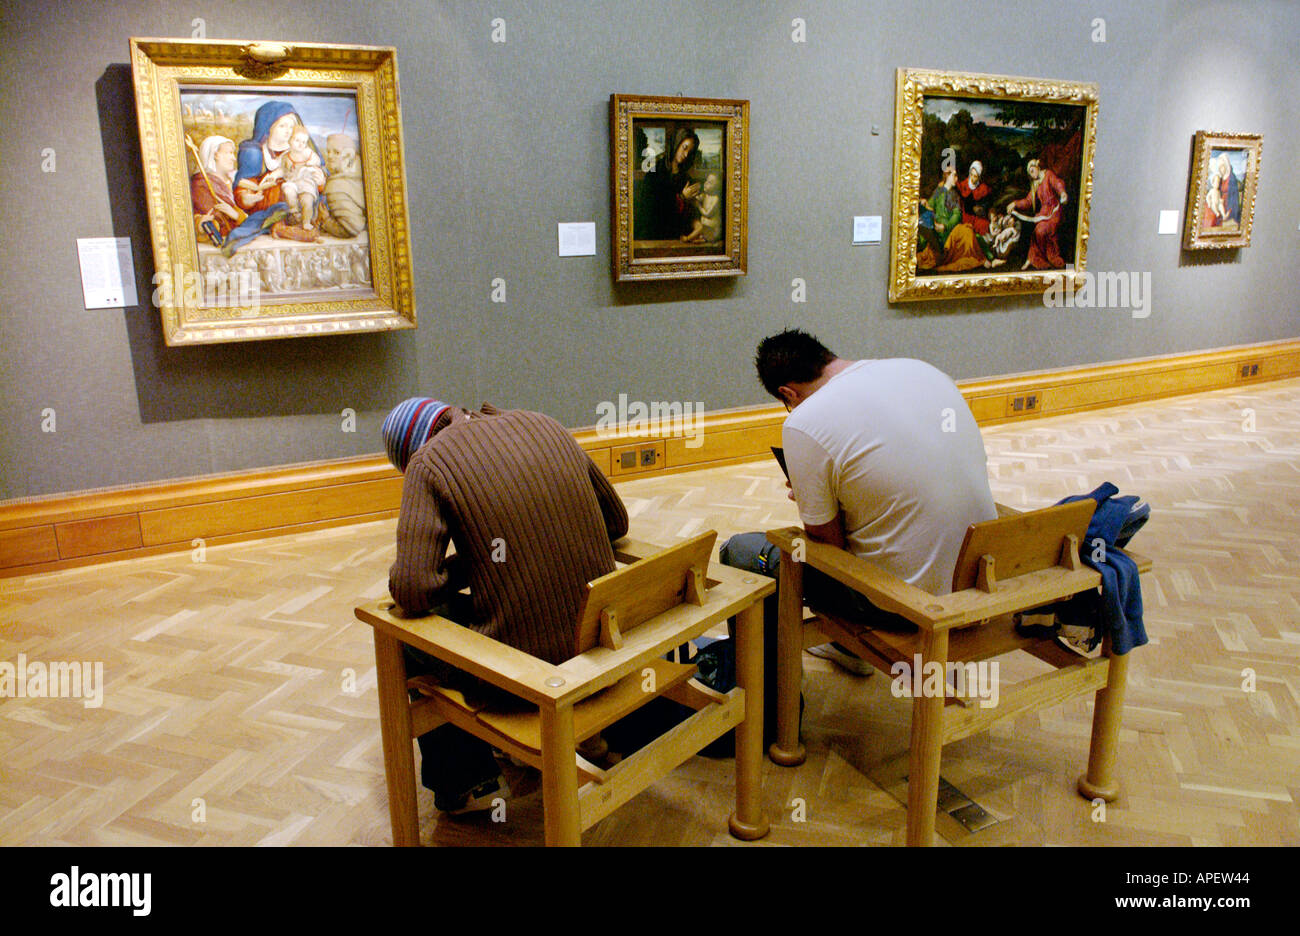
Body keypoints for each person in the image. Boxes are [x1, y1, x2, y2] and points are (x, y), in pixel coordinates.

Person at [383, 397, 630, 813]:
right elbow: (616, 523)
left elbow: (412, 588)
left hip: (528, 674)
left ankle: (466, 784)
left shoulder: (428, 464)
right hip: (603, 644)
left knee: (406, 632)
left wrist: (468, 563)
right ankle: (586, 736)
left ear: (409, 453)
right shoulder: (544, 420)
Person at [720, 329, 997, 680]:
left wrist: (814, 499)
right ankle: (844, 649)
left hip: (903, 602)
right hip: (979, 577)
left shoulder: (804, 422)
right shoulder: (921, 370)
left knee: (741, 552)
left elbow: (828, 549)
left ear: (787, 393)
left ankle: (772, 709)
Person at [634, 127, 702, 240]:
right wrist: (682, 197)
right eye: (684, 148)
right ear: (676, 143)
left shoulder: (685, 178)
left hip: (677, 238)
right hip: (655, 238)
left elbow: (686, 216)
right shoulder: (654, 175)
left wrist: (695, 223)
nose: (685, 155)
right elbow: (653, 213)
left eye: (689, 151)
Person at [1009, 158, 1069, 270]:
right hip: (1044, 213)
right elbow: (1027, 202)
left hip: (1054, 211)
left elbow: (1058, 183)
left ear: (1037, 167)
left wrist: (1063, 193)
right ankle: (1033, 259)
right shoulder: (1035, 184)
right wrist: (1015, 203)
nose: (1032, 175)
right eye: (1030, 173)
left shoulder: (1048, 174)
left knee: (1041, 230)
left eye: (1032, 171)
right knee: (1037, 231)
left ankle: (1050, 257)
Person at [190, 135, 244, 246]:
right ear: (215, 155)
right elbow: (213, 220)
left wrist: (236, 215)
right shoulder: (200, 185)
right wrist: (201, 224)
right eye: (228, 153)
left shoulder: (233, 181)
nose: (233, 158)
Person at [317, 132, 367, 239]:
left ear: (349, 155)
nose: (329, 156)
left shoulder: (336, 187)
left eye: (336, 152)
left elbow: (352, 229)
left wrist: (326, 221)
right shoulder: (359, 173)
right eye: (328, 151)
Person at [278, 126, 327, 232]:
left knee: (307, 200)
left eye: (304, 142)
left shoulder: (308, 153)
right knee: (288, 190)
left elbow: (317, 161)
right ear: (290, 140)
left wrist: (311, 163)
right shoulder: (286, 156)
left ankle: (306, 222)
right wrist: (276, 175)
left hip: (306, 182)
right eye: (297, 140)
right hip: (293, 181)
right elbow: (282, 170)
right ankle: (294, 211)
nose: (301, 144)